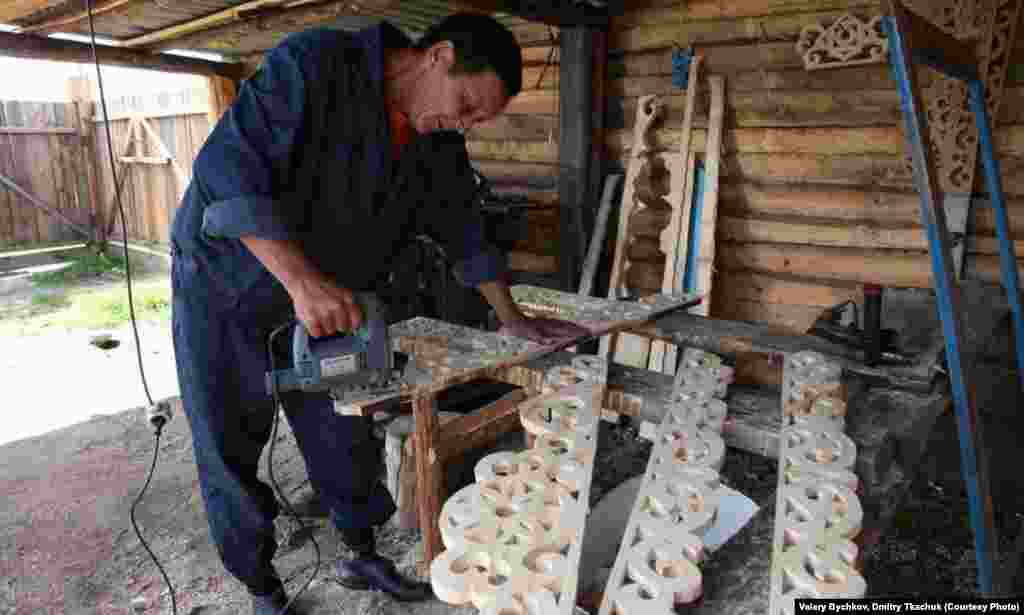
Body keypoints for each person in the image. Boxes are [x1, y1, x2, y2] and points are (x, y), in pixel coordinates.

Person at [169, 12, 588, 614]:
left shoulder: (435, 138)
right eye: (467, 103)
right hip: (225, 285)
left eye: (476, 119)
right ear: (438, 56)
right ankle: (263, 587)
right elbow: (228, 173)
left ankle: (361, 553)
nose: (463, 123)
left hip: (326, 298)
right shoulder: (314, 67)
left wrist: (511, 316)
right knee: (229, 438)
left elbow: (462, 226)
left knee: (343, 425)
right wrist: (302, 283)